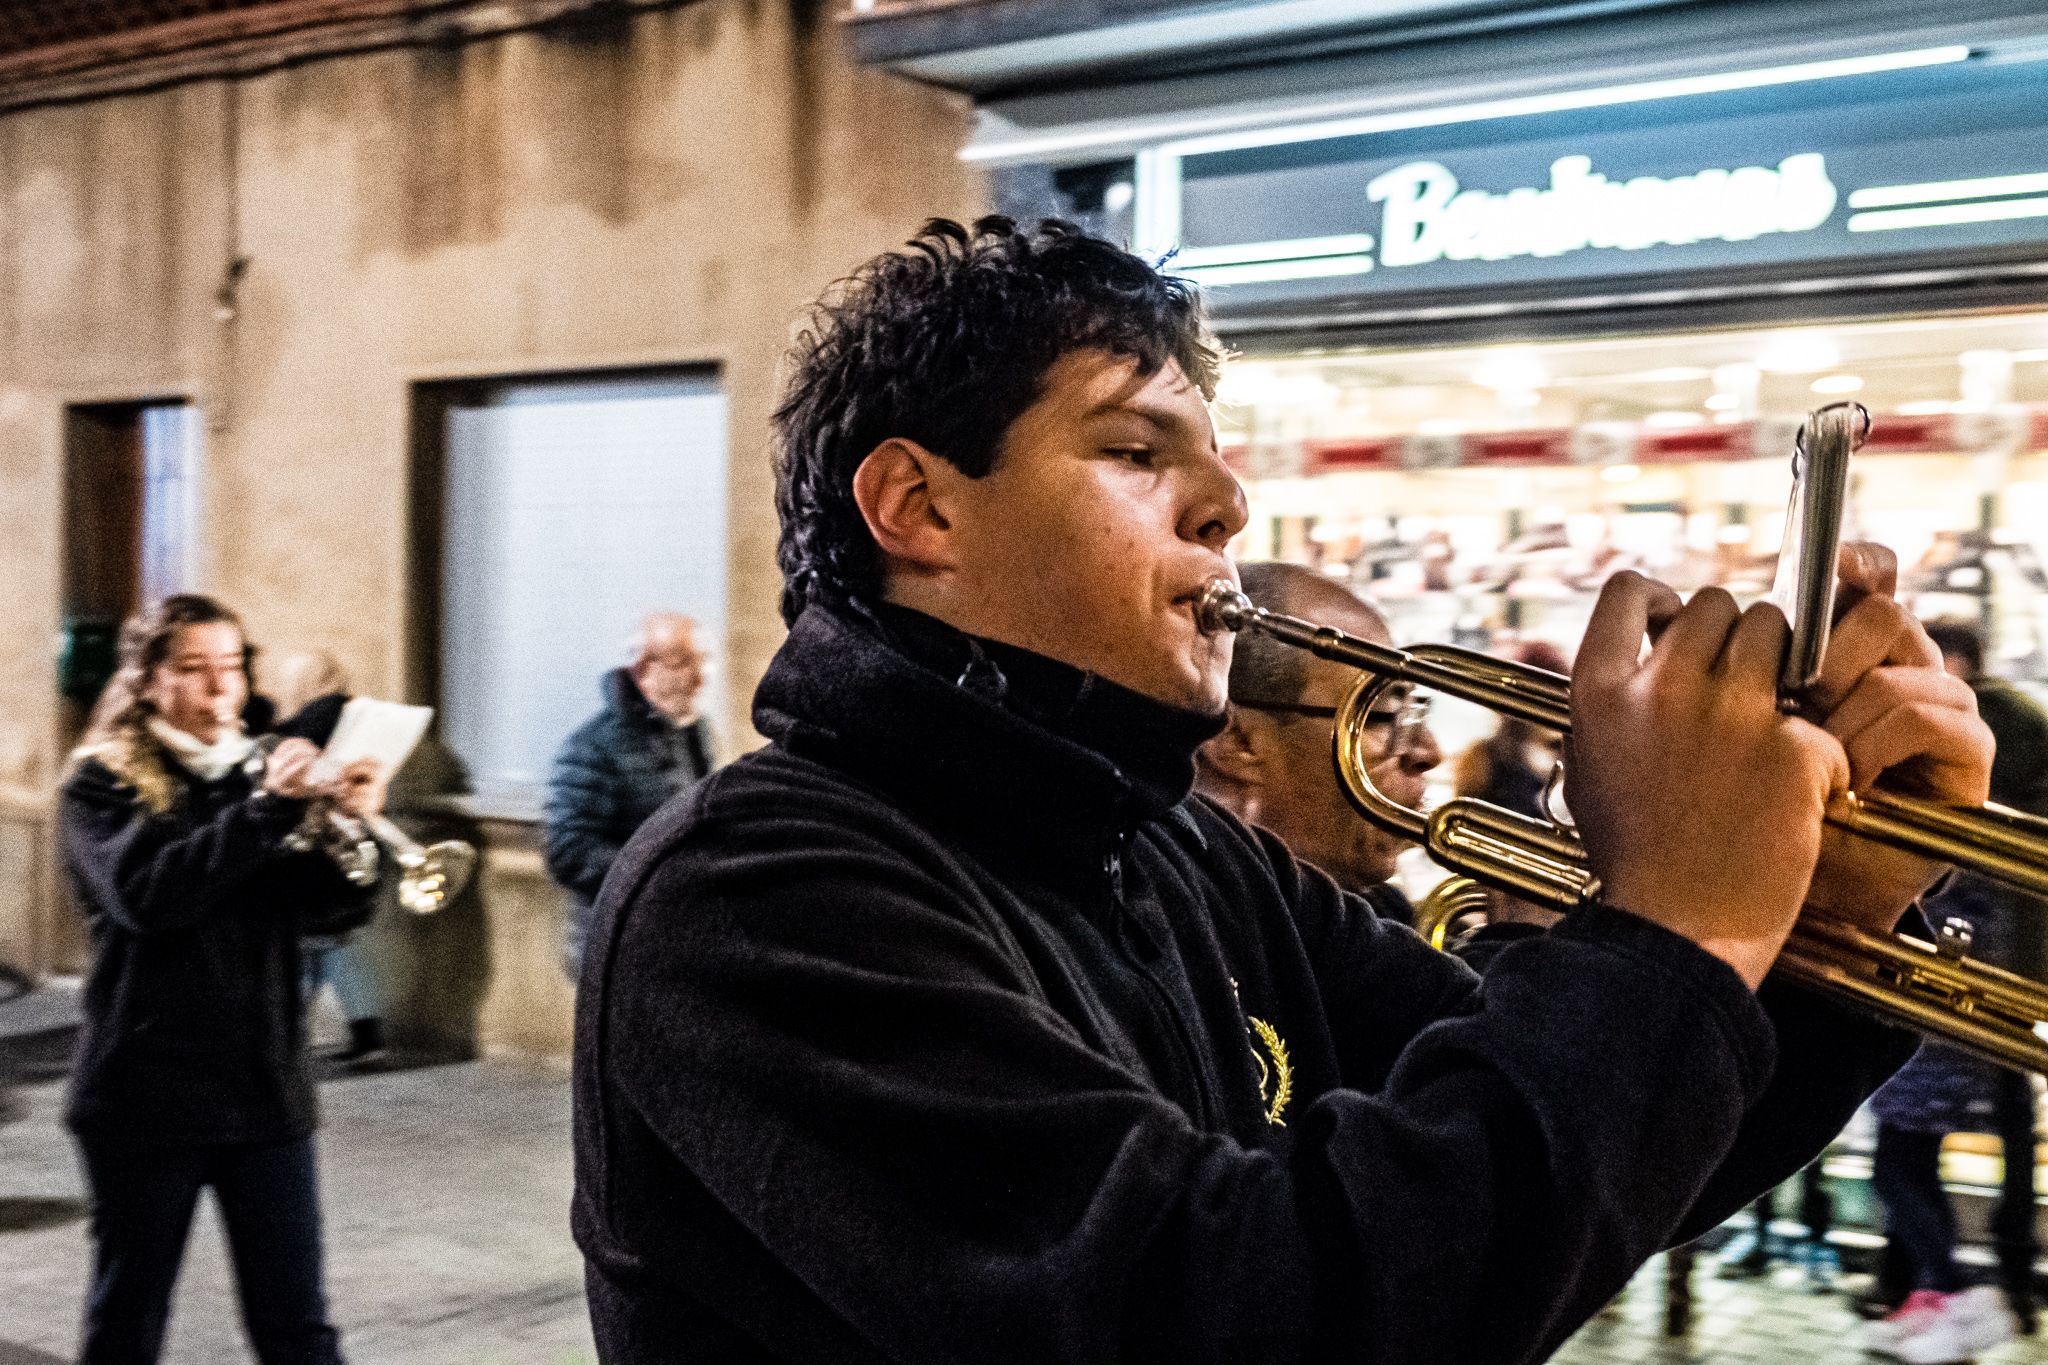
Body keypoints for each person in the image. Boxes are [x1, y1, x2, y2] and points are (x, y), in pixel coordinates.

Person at [572, 217, 1992, 1365]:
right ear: (919, 508)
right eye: (1136, 453)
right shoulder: (757, 895)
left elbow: (1574, 1161)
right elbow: (1245, 1312)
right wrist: (1672, 926)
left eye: (1212, 454)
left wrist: (1823, 925)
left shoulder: (1176, 846)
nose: (1226, 504)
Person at [59, 595, 388, 1365]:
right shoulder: (100, 786)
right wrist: (270, 809)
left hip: (264, 1092)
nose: (221, 691)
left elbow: (325, 912)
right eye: (195, 671)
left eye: (233, 668)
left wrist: (354, 828)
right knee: (128, 1321)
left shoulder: (257, 770)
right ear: (147, 680)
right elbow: (150, 896)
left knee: (297, 1326)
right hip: (145, 1099)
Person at [1858, 619, 2048, 1357]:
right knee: (1920, 1144)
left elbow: (1939, 868)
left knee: (1902, 1152)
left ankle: (1959, 1293)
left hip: (1941, 975)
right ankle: (1935, 1291)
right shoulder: (2005, 735)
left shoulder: (1959, 745)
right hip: (1964, 971)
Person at [1193, 560, 1439, 919]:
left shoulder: (1374, 909)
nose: (1430, 752)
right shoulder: (1211, 924)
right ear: (1238, 740)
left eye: (1414, 709)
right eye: (1379, 714)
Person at [545, 612, 716, 978]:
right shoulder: (592, 747)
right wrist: (662, 868)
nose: (699, 681)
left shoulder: (694, 732)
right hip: (616, 946)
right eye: (684, 664)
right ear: (644, 670)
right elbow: (568, 852)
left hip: (676, 938)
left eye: (702, 664)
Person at [263, 650, 391, 1068]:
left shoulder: (312, 724)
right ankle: (363, 1033)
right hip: (351, 855)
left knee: (309, 949)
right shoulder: (355, 719)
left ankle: (286, 1040)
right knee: (333, 948)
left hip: (318, 858)